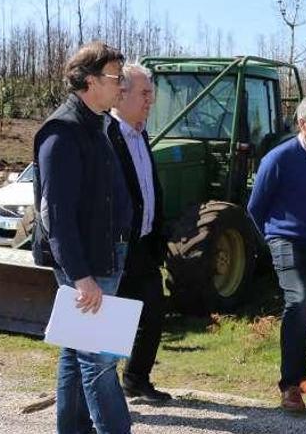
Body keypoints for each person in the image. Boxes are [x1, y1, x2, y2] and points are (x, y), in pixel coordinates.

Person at [32, 41, 134, 433]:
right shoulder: (63, 132)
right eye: (115, 77)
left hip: (104, 255)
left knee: (77, 354)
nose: (122, 85)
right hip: (87, 264)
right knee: (100, 360)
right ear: (90, 81)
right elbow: (55, 216)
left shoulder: (98, 124)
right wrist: (81, 276)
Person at [247, 95, 306, 414]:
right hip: (285, 241)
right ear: (303, 124)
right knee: (298, 301)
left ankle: (301, 377)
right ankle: (288, 385)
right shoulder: (278, 158)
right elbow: (255, 207)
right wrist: (271, 242)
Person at [107, 64, 171, 402]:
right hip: (116, 247)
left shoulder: (141, 133)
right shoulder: (107, 135)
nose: (151, 100)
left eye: (152, 94)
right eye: (145, 93)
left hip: (145, 245)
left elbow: (149, 189)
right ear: (122, 94)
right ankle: (104, 392)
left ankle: (136, 380)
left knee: (152, 313)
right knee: (111, 323)